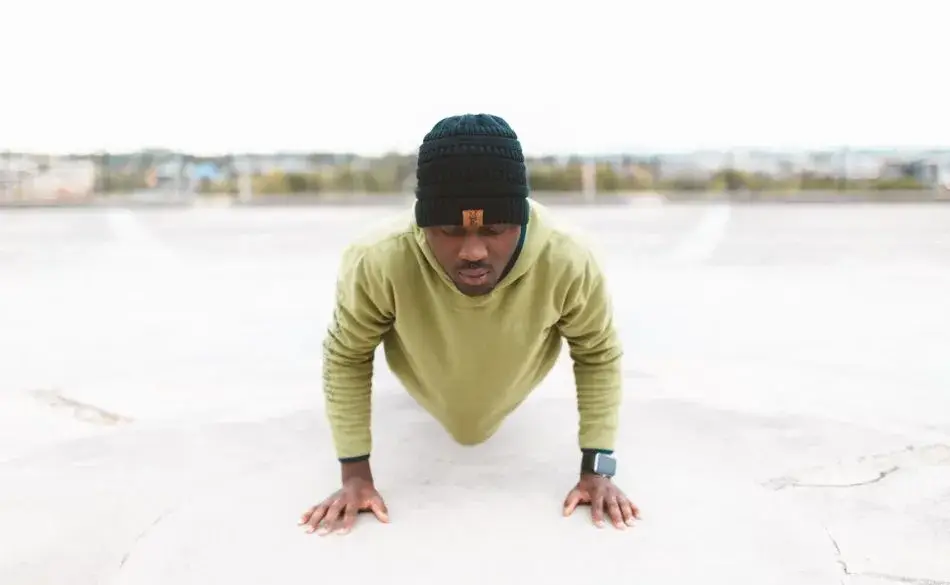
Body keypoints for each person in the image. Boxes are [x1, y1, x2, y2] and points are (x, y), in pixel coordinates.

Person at [299, 113, 639, 535]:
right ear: (423, 223)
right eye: (449, 229)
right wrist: (354, 477)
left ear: (523, 221)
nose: (473, 250)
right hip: (424, 379)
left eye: (494, 229)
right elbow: (346, 355)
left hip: (511, 378)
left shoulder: (569, 259)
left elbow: (598, 354)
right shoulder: (378, 259)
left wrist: (599, 468)